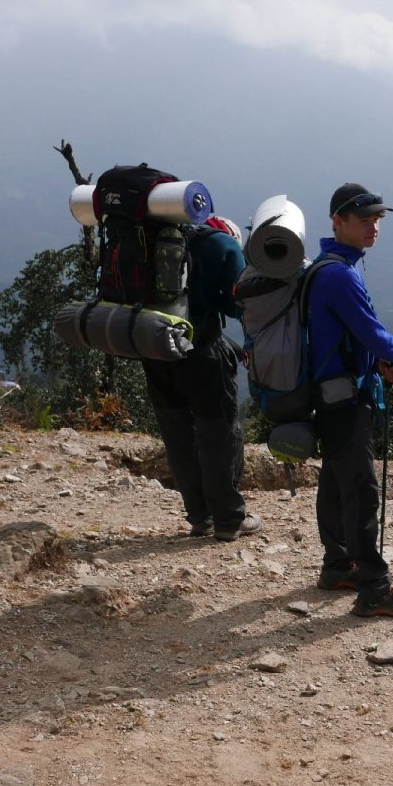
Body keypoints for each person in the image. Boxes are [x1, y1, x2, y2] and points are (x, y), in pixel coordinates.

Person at [309, 183, 393, 617]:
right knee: (361, 490)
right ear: (338, 221)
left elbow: (353, 339)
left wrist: (372, 364)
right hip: (345, 401)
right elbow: (376, 336)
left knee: (335, 481)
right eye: (364, 219)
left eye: (377, 220)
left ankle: (338, 565)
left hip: (331, 395)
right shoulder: (340, 275)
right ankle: (374, 587)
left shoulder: (328, 267)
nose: (373, 227)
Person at [142, 215, 260, 542]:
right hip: (202, 357)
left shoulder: (152, 241)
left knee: (178, 436)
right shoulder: (223, 245)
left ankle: (199, 517)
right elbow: (239, 303)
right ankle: (228, 519)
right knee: (219, 433)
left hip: (154, 351)